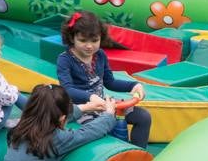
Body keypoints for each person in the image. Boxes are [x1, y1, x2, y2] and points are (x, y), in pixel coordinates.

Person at [56, 11, 151, 148]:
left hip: (102, 106)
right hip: (82, 110)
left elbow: (110, 82)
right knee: (102, 132)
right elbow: (67, 89)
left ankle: (139, 155)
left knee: (143, 117)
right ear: (72, 38)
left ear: (101, 38)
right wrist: (91, 97)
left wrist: (134, 85)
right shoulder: (65, 59)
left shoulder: (100, 55)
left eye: (94, 41)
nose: (89, 46)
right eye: (83, 40)